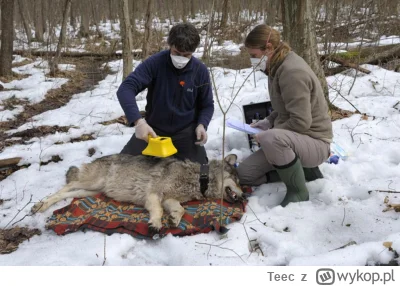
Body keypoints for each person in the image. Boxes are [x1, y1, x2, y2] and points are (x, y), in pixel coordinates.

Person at [237, 24, 333, 207]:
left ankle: (298, 191)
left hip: (315, 141)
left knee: (272, 139)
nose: (252, 60)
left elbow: (301, 122)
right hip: (293, 139)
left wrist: (269, 135)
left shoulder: (292, 72)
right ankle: (305, 172)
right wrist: (268, 122)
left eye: (254, 55)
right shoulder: (276, 65)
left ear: (269, 48)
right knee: (245, 174)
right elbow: (285, 108)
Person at [117, 23, 214, 164]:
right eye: (176, 53)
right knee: (122, 166)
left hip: (185, 133)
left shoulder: (200, 71)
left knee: (200, 175)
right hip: (153, 132)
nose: (180, 58)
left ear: (193, 52)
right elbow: (126, 89)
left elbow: (207, 105)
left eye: (186, 55)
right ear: (170, 45)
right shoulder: (155, 63)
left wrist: (202, 124)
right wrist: (138, 122)